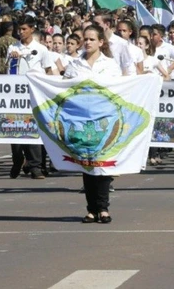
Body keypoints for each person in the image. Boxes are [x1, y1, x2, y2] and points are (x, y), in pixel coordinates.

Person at [63, 25, 121, 224]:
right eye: (85, 39)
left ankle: (103, 208)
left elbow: (118, 90)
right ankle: (91, 209)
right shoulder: (74, 64)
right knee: (87, 164)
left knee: (102, 164)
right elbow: (64, 90)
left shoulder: (110, 65)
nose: (87, 42)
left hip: (103, 118)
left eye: (92, 39)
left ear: (101, 42)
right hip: (80, 120)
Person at [6, 17, 53, 179]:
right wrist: (12, 59)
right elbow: (6, 71)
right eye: (19, 29)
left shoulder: (41, 49)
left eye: (24, 29)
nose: (21, 32)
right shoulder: (13, 47)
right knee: (15, 128)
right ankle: (17, 161)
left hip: (34, 95)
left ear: (32, 29)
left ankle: (35, 166)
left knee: (34, 129)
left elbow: (48, 71)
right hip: (16, 95)